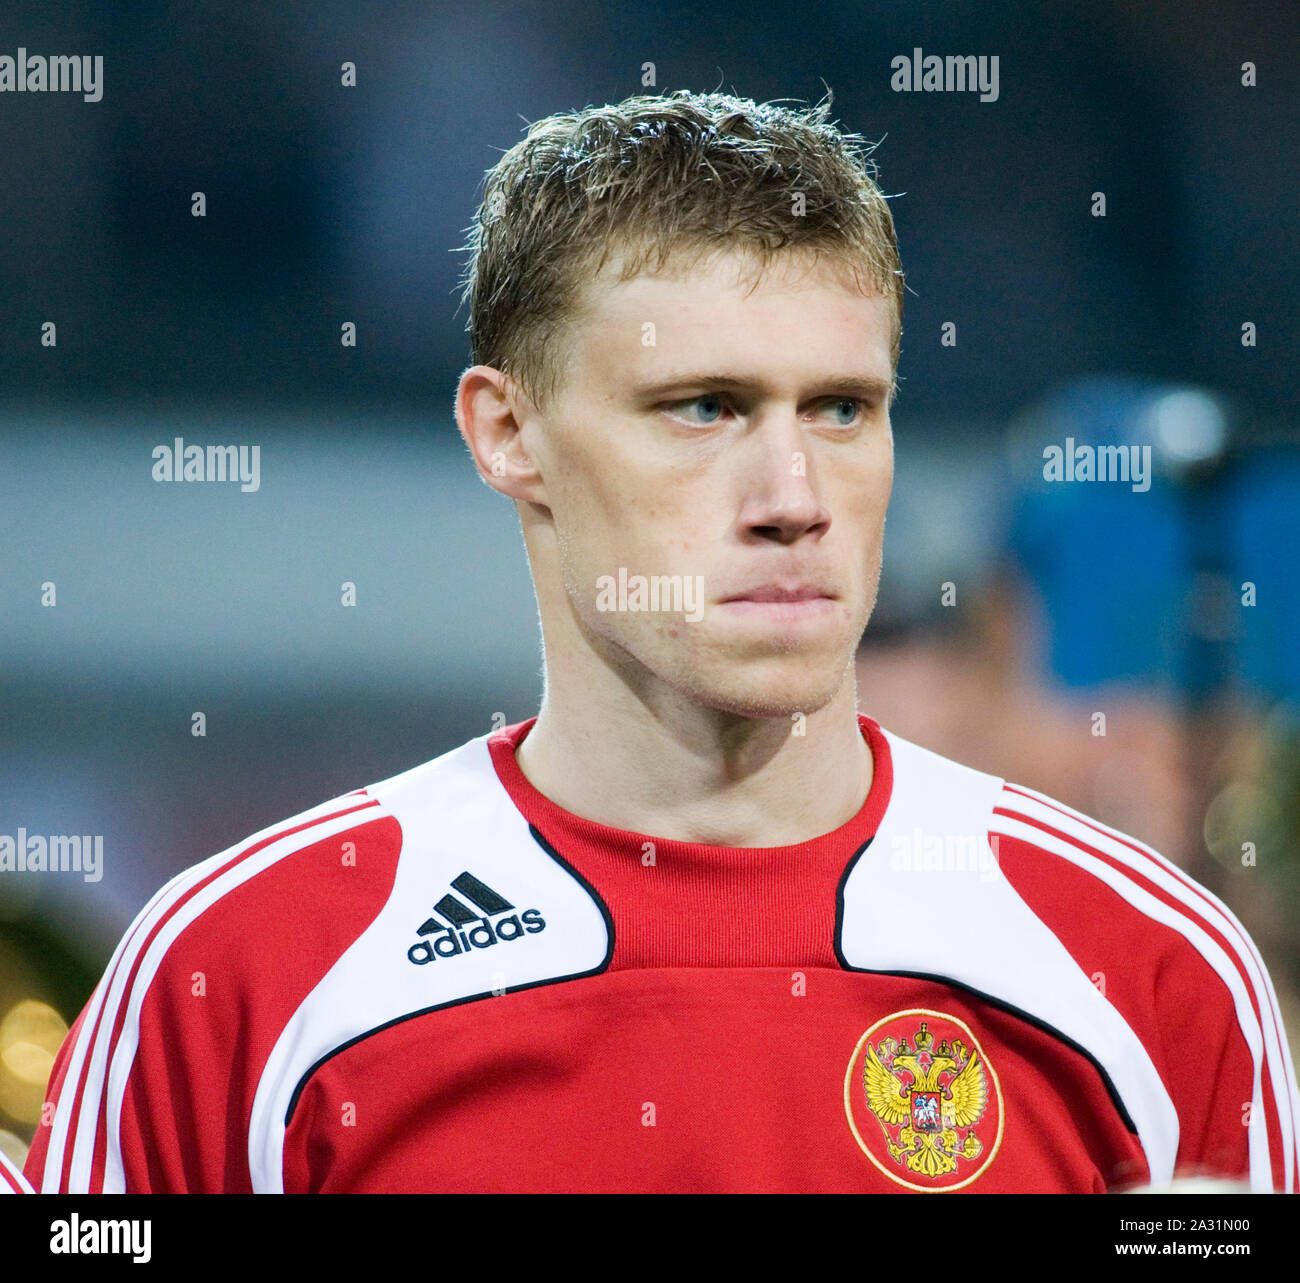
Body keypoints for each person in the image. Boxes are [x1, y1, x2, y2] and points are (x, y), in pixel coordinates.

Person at [24, 90, 1298, 1194]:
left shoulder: (1151, 970)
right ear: (506, 433)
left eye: (844, 408)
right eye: (704, 407)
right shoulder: (233, 975)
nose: (794, 492)